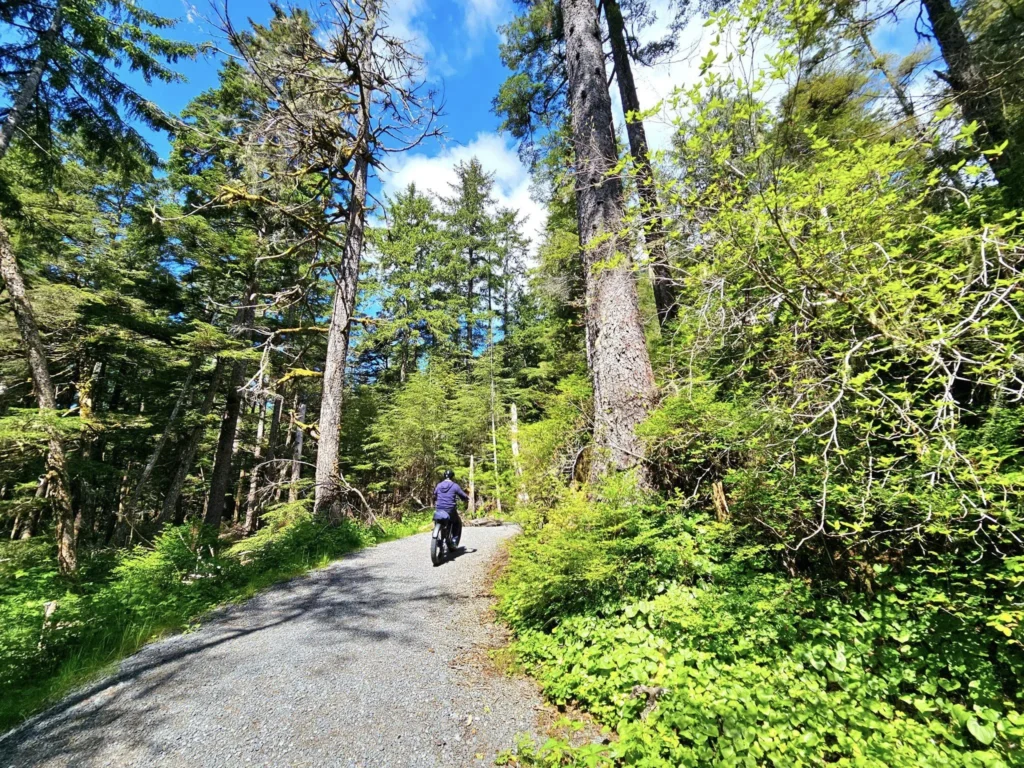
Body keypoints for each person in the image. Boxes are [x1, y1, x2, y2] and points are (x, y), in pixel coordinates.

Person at [433, 469, 468, 548]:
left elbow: (434, 494)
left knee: (437, 519)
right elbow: (463, 495)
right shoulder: (454, 486)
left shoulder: (439, 485)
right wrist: (466, 498)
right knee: (457, 522)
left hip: (439, 508)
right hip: (450, 509)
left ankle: (438, 534)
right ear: (452, 476)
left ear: (444, 475)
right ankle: (454, 540)